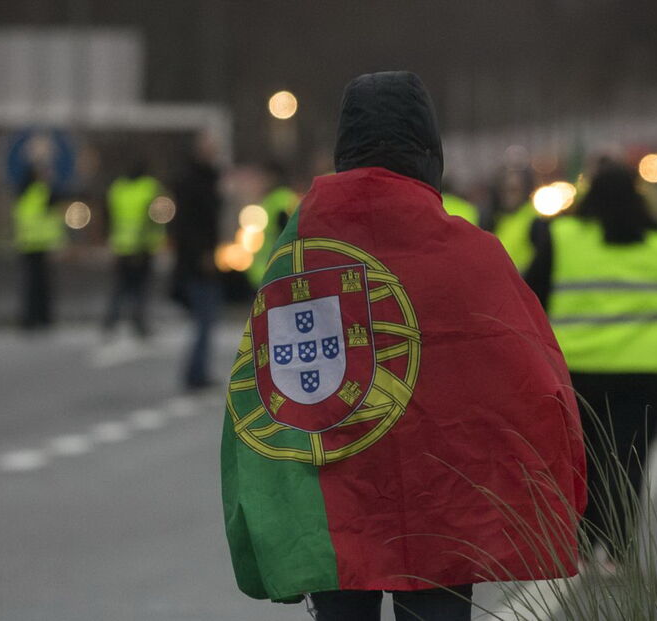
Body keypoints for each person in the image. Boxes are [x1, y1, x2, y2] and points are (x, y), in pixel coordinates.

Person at [222, 72, 585, 621]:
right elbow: (536, 378)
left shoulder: (296, 255)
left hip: (335, 502)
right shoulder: (473, 253)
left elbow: (266, 389)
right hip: (442, 503)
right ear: (429, 150)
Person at [525, 161, 657, 559]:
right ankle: (617, 550)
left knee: (585, 460)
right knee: (630, 460)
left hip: (579, 373)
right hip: (647, 374)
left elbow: (528, 298)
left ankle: (583, 542)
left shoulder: (563, 238)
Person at [169, 133, 222, 389]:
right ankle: (196, 373)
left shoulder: (204, 180)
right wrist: (203, 254)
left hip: (197, 260)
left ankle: (197, 371)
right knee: (205, 319)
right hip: (197, 263)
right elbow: (191, 226)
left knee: (205, 320)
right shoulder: (195, 183)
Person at [103, 162, 165, 338]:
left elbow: (108, 215)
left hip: (121, 245)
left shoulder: (117, 188)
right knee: (141, 288)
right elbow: (155, 216)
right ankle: (139, 322)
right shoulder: (149, 187)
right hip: (143, 245)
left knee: (121, 287)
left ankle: (111, 321)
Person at [13, 166, 65, 330]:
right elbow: (53, 219)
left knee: (31, 285)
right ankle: (43, 317)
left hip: (27, 244)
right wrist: (58, 243)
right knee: (42, 286)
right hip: (42, 244)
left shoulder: (23, 194)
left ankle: (31, 318)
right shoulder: (43, 192)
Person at [246, 162, 299, 289]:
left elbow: (285, 233)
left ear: (273, 177)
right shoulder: (276, 198)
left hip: (274, 272)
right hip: (271, 271)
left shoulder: (280, 199)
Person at [485, 167, 539, 273]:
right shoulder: (495, 219)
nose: (508, 196)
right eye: (504, 191)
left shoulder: (535, 220)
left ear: (525, 191)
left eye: (514, 190)